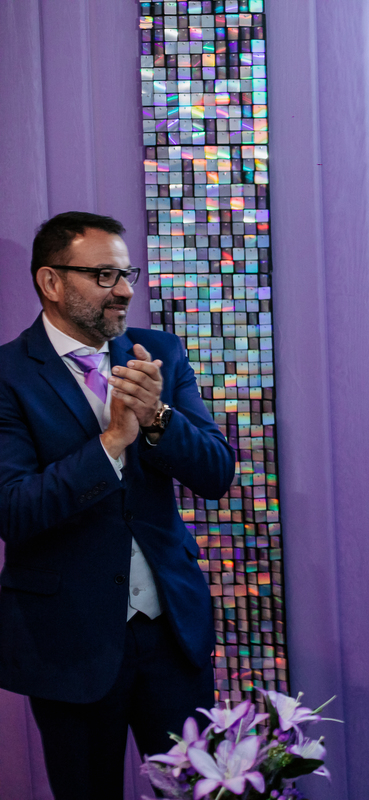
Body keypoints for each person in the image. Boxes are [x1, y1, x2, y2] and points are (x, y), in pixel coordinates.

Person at [0, 212, 234, 798]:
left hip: (171, 632)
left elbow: (216, 473)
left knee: (196, 791)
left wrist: (157, 418)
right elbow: (13, 510)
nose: (125, 290)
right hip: (69, 642)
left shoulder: (159, 354)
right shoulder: (6, 375)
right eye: (104, 275)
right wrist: (111, 443)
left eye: (127, 273)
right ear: (51, 282)